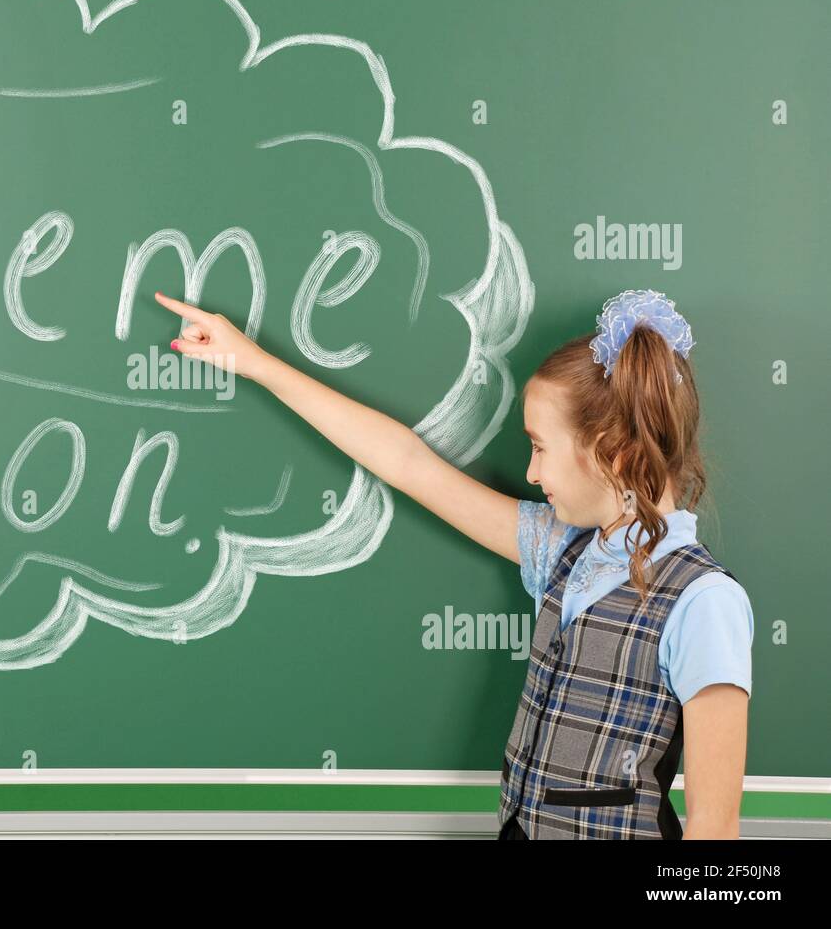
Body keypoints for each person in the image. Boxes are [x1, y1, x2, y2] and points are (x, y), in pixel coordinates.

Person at [154, 287, 752, 840]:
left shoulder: (704, 602)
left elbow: (714, 833)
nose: (532, 472)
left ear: (613, 455)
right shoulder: (562, 548)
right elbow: (409, 464)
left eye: (541, 448)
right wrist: (255, 362)